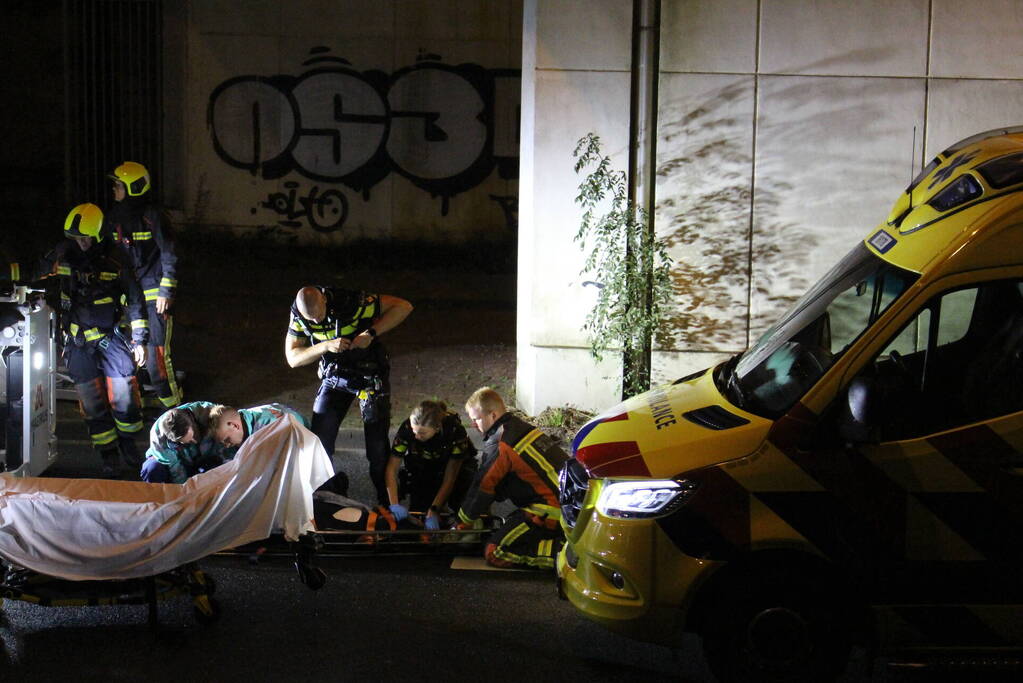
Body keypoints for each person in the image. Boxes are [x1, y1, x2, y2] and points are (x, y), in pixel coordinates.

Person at [42, 204, 149, 477]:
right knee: (92, 404)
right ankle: (108, 454)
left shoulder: (115, 260)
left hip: (111, 340)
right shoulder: (64, 255)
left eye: (87, 238)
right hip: (78, 343)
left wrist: (139, 340)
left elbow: (135, 299)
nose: (82, 243)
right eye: (77, 238)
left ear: (99, 235)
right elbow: (38, 271)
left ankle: (128, 446)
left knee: (124, 397)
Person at [284, 285, 413, 504]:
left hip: (369, 375)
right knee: (319, 443)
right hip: (335, 377)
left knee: (377, 450)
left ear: (324, 300)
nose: (315, 323)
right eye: (310, 320)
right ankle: (327, 497)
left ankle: (388, 503)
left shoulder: (351, 301)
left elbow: (403, 306)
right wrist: (324, 346)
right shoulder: (298, 314)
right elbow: (293, 358)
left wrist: (370, 333)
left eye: (319, 316)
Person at [457, 387, 568, 569]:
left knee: (495, 551)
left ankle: (566, 556)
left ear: (493, 415)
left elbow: (483, 486)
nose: (473, 425)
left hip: (549, 512)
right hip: (565, 507)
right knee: (510, 527)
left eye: (476, 419)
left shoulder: (501, 444)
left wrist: (463, 522)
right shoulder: (517, 428)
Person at [104, 161, 181, 409]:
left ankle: (176, 413)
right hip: (131, 297)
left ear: (132, 187)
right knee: (131, 354)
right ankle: (136, 409)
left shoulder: (153, 216)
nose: (114, 190)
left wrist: (166, 289)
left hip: (155, 293)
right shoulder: (114, 217)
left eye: (118, 186)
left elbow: (169, 251)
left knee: (157, 358)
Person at [386, 400, 478, 531]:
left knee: (462, 504)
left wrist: (435, 509)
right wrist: (394, 504)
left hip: (454, 468)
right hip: (423, 466)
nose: (416, 436)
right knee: (419, 513)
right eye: (414, 430)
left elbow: (450, 477)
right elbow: (391, 468)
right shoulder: (407, 429)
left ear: (437, 428)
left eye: (422, 433)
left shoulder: (454, 431)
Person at [141, 400, 226, 483]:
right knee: (152, 468)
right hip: (182, 463)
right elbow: (176, 470)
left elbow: (234, 424)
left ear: (191, 423)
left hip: (208, 457)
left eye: (193, 436)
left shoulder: (210, 413)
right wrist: (183, 490)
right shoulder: (160, 442)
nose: (194, 441)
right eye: (186, 441)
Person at [208, 403, 308, 448]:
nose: (226, 446)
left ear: (234, 425)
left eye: (227, 440)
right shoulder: (249, 417)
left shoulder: (265, 427)